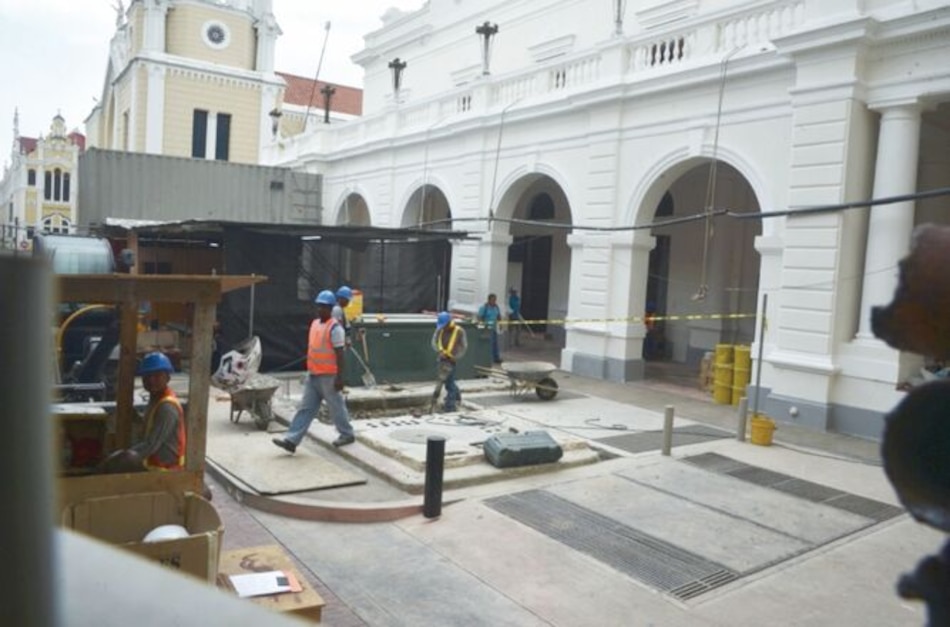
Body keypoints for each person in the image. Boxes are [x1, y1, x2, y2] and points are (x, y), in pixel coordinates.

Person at [274, 289, 355, 453]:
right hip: (314, 374)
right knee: (305, 408)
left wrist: (340, 378)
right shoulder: (315, 324)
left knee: (336, 406)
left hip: (329, 376)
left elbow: (340, 354)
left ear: (331, 308)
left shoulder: (335, 329)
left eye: (324, 307)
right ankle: (292, 440)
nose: (320, 309)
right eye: (319, 306)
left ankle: (347, 434)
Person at [102, 351, 186, 472]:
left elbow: (151, 445)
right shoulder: (155, 399)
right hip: (155, 466)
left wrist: (120, 458)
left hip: (166, 472)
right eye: (147, 376)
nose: (151, 380)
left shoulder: (167, 407)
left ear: (167, 378)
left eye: (157, 375)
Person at [431, 311, 467, 412]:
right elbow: (434, 342)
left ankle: (450, 407)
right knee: (445, 381)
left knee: (449, 383)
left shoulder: (459, 331)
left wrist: (456, 356)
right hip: (442, 359)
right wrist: (440, 351)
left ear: (449, 322)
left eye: (444, 325)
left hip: (452, 360)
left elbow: (464, 346)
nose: (443, 328)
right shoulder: (439, 330)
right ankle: (457, 396)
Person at [477, 292, 503, 364]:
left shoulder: (496, 307)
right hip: (486, 328)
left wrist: (500, 325)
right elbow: (479, 317)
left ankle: (496, 357)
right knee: (489, 344)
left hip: (493, 328)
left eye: (495, 300)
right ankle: (488, 359)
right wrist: (481, 326)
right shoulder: (484, 308)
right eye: (493, 300)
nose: (494, 301)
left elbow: (499, 316)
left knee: (495, 344)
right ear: (489, 300)